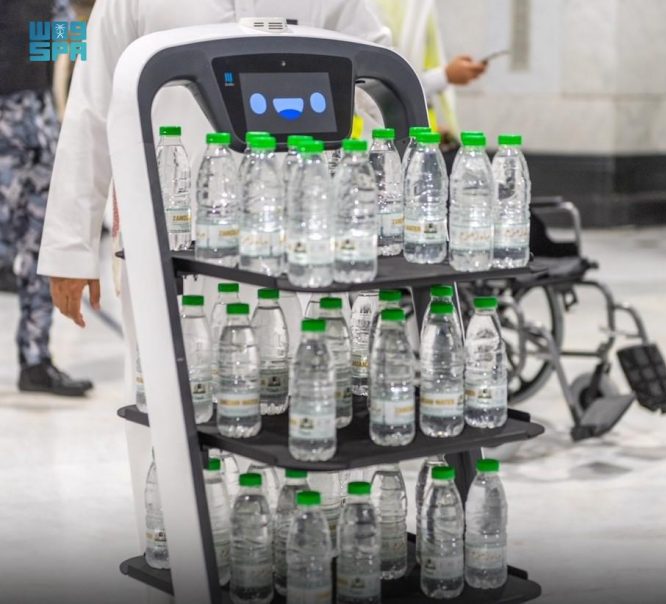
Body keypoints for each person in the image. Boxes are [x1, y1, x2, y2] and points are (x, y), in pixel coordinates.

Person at [38, 0, 390, 331]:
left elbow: (385, 81)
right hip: (166, 233)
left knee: (298, 359)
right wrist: (70, 248)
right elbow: (92, 107)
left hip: (296, 240)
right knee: (166, 367)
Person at [0, 0, 93, 396]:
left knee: (40, 247)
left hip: (40, 127)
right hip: (8, 130)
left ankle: (36, 362)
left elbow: (66, 52)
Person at [372, 0, 487, 134]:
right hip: (382, 133)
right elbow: (387, 83)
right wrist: (445, 75)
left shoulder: (420, 5)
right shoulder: (382, 7)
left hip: (418, 134)